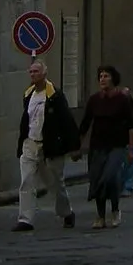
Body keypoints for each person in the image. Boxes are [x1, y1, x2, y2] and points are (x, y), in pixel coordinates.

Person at [14, 57, 79, 232]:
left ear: (44, 73)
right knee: (26, 181)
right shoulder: (28, 94)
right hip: (30, 143)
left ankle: (66, 213)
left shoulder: (55, 96)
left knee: (55, 184)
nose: (33, 74)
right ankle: (25, 219)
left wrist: (74, 147)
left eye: (36, 71)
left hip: (50, 146)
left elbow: (67, 121)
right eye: (31, 72)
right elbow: (26, 119)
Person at [78, 64, 133, 230]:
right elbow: (85, 124)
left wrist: (131, 149)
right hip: (97, 146)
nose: (103, 79)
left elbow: (132, 125)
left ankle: (115, 210)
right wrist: (77, 146)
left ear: (113, 79)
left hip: (117, 145)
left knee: (109, 177)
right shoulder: (94, 100)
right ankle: (100, 216)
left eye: (106, 76)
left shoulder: (123, 100)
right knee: (96, 179)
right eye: (101, 76)